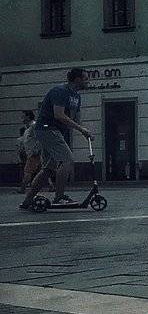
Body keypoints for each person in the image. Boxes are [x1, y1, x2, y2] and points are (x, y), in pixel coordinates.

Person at [21, 68, 92, 209]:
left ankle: (27, 201)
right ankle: (59, 197)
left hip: (54, 131)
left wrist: (85, 131)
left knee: (49, 168)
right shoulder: (60, 91)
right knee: (67, 160)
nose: (88, 81)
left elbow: (76, 119)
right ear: (77, 79)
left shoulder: (76, 97)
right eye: (86, 79)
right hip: (47, 129)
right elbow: (59, 115)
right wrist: (81, 129)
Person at [16, 111, 37, 193]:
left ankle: (22, 189)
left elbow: (39, 138)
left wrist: (36, 150)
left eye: (23, 117)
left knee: (28, 171)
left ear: (28, 117)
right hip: (31, 152)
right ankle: (52, 186)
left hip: (34, 153)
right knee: (42, 170)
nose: (21, 119)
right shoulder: (27, 129)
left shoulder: (33, 126)